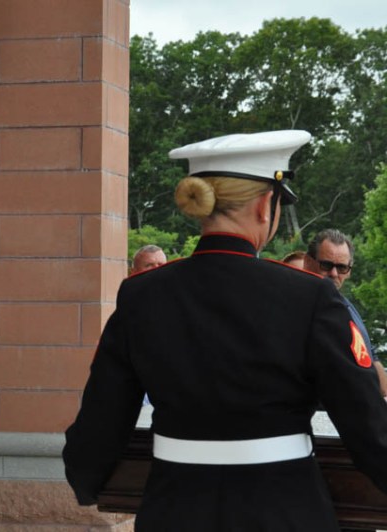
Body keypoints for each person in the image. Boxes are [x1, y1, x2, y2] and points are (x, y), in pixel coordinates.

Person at [63, 130, 387, 531]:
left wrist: (86, 479)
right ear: (265, 204)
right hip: (284, 511)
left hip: (173, 509)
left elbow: (102, 417)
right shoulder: (309, 297)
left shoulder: (141, 295)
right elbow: (365, 418)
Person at [303, 229, 387, 398]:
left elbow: (370, 354)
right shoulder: (298, 307)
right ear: (308, 262)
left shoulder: (347, 306)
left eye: (341, 267)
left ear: (349, 271)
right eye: (326, 265)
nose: (334, 274)